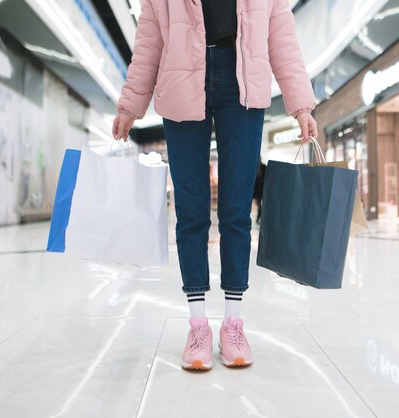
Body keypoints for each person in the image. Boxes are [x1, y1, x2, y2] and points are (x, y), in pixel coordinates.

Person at [111, 0, 318, 371]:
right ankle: (198, 326)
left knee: (237, 211)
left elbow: (281, 39)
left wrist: (301, 105)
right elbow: (149, 43)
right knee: (191, 212)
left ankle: (233, 325)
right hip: (179, 81)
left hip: (244, 82)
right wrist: (131, 105)